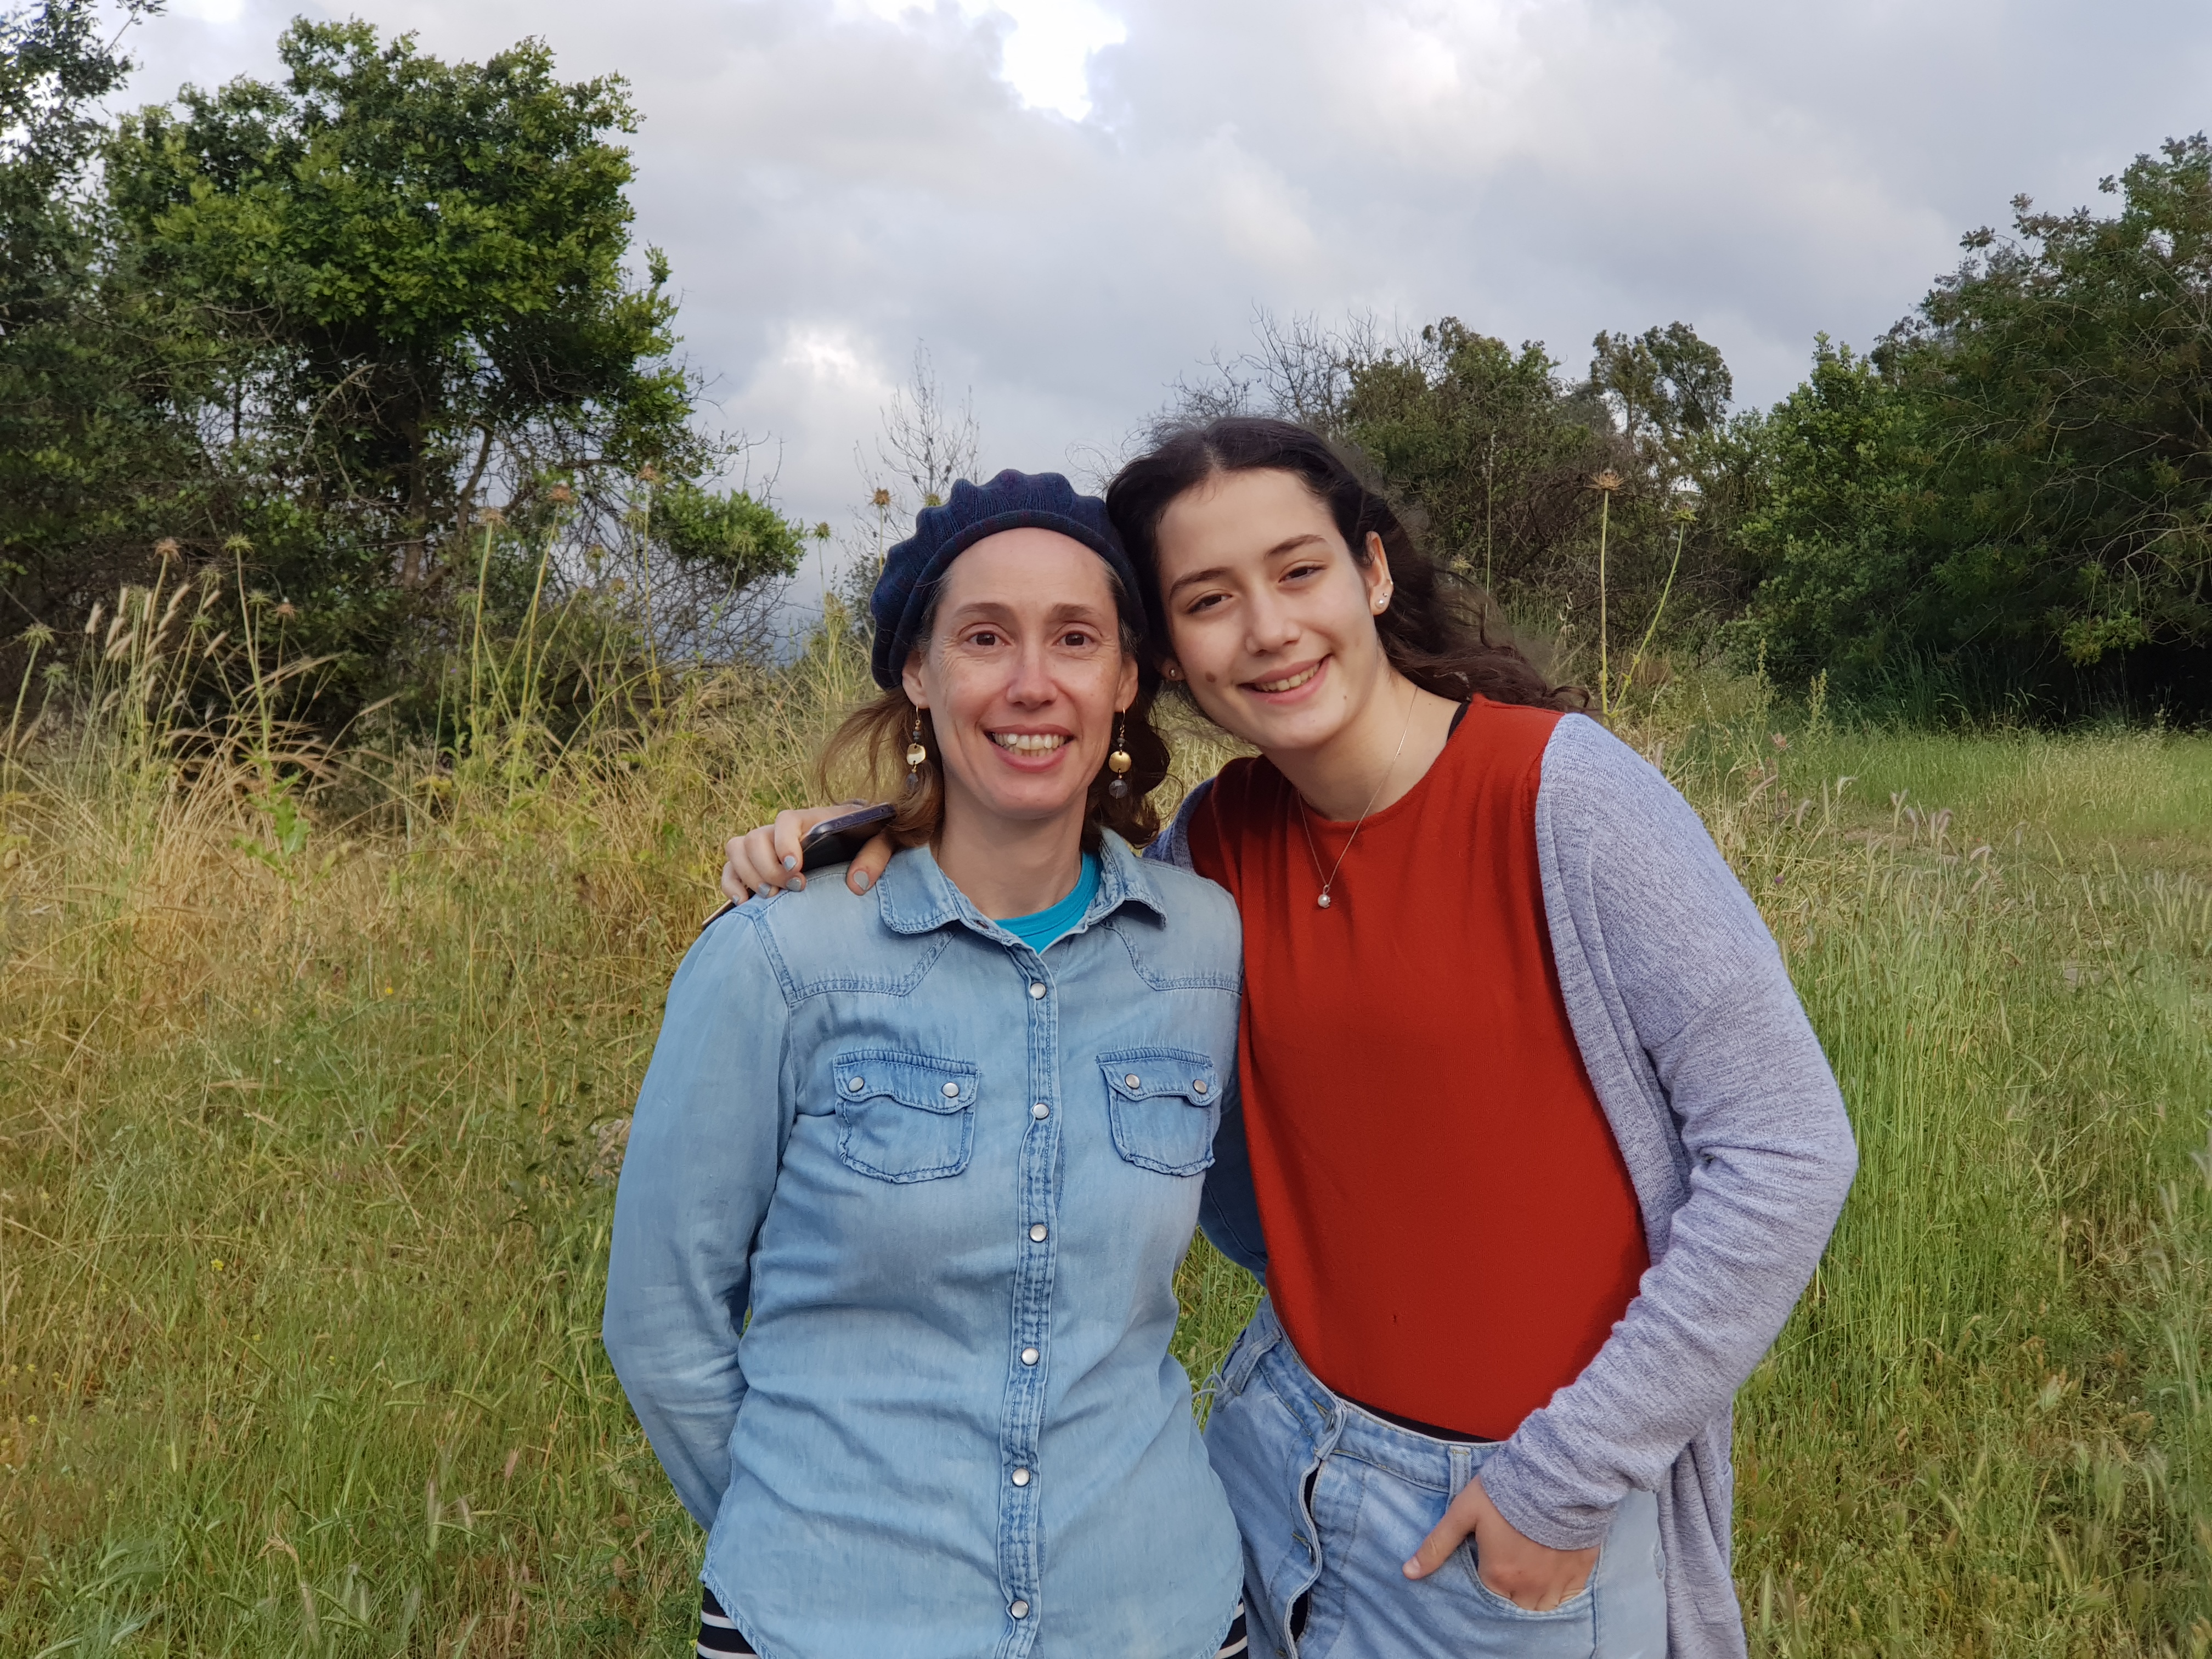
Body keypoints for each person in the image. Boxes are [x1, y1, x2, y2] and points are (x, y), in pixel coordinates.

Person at [721, 420, 1858, 1659]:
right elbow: (1044, 933)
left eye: (1299, 572)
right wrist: (880, 835)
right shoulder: (1218, 845)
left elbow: (1789, 1150)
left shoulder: (1562, 797)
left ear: (1372, 573)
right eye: (1210, 600)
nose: (1267, 629)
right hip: (1276, 1466)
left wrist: (1566, 1479)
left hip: (1513, 1513)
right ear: (1168, 658)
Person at [606, 470, 1253, 1659]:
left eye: (1075, 639)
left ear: (1126, 679)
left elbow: (1289, 1238)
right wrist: (808, 1536)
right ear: (917, 671)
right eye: (984, 638)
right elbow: (659, 1321)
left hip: (1152, 1614)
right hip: (828, 1624)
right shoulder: (779, 954)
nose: (1031, 683)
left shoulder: (1207, 948)